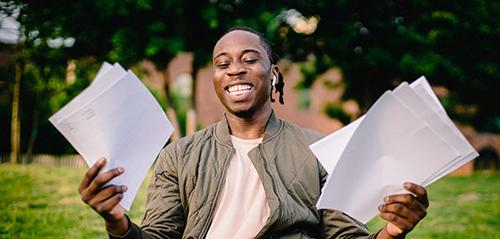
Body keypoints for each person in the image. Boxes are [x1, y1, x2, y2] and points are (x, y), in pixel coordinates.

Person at [78, 26, 429, 239]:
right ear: (215, 78)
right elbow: (158, 236)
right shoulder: (179, 156)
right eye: (223, 63)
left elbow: (346, 237)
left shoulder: (320, 150)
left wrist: (394, 231)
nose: (235, 70)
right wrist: (117, 223)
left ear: (273, 74)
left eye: (249, 59)